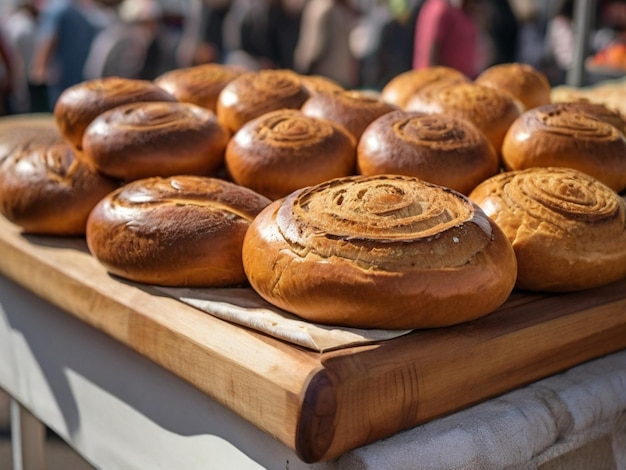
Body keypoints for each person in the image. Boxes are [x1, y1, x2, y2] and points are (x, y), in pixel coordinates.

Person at [30, 0, 116, 111]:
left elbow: (49, 39)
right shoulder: (82, 11)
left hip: (61, 79)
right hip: (78, 78)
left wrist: (39, 70)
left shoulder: (58, 8)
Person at [293, 0, 360, 88]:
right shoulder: (340, 10)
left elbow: (315, 48)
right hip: (338, 76)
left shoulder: (322, 8)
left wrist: (304, 67)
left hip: (324, 76)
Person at [412, 0, 481, 78]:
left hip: (461, 82)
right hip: (443, 84)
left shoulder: (461, 10)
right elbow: (430, 57)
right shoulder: (439, 9)